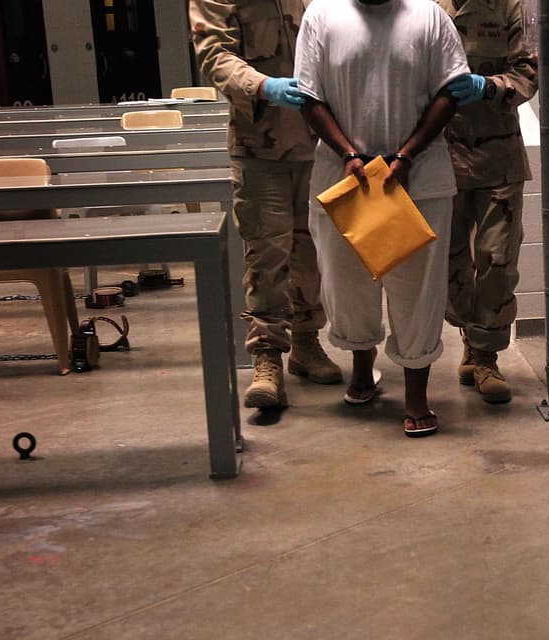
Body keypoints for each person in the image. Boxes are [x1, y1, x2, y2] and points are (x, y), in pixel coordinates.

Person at [294, 0, 470, 437]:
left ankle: (416, 395)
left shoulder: (428, 16)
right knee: (346, 284)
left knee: (418, 289)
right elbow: (309, 96)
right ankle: (361, 368)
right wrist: (350, 155)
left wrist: (408, 153)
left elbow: (451, 90)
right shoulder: (322, 15)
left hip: (416, 180)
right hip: (344, 178)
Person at [190, 0, 343, 411]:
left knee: (312, 251)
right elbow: (213, 53)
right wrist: (262, 85)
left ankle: (307, 344)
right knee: (266, 252)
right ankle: (266, 359)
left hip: (319, 144)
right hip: (259, 146)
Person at [437, 0, 537, 404]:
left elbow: (528, 72)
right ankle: (468, 333)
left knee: (496, 258)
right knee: (449, 260)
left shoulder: (509, 6)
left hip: (498, 157)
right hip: (439, 156)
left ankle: (485, 356)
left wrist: (490, 86)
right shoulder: (422, 6)